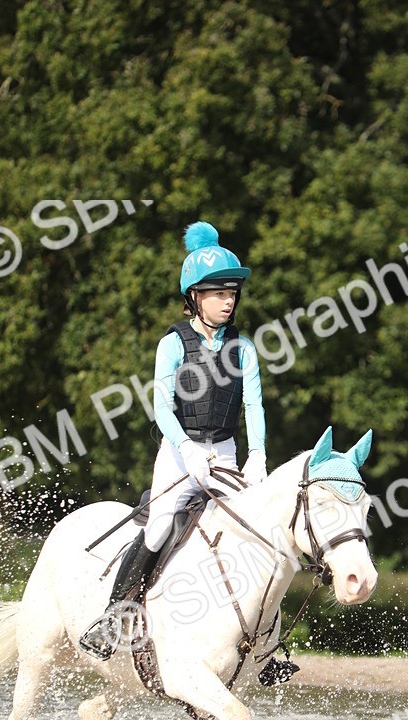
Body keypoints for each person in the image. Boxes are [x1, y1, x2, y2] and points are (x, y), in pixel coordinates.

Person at [79, 220, 267, 659]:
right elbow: (162, 406)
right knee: (163, 522)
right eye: (218, 293)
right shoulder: (174, 343)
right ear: (194, 297)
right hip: (181, 453)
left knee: (256, 529)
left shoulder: (244, 348)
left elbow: (253, 406)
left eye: (231, 293)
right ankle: (115, 616)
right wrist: (185, 449)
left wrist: (257, 455)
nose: (228, 300)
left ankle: (265, 643)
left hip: (226, 453)